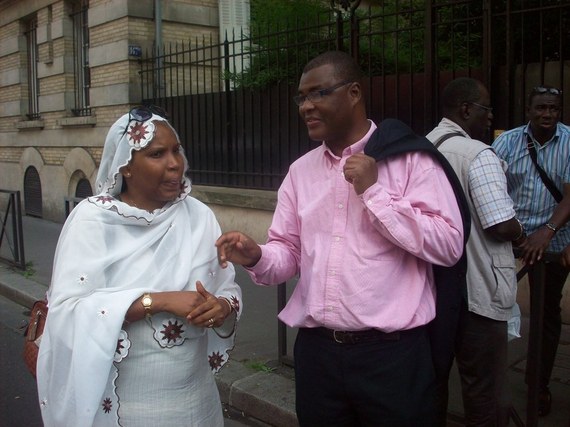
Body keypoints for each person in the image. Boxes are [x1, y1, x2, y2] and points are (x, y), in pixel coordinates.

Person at [216, 50, 464, 426]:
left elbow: (448, 245)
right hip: (319, 358)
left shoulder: (409, 159)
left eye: (319, 93)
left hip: (392, 358)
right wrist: (256, 256)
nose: (307, 106)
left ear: (353, 93)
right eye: (302, 97)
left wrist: (375, 194)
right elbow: (288, 254)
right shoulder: (300, 172)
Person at [36, 106, 242, 426]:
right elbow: (68, 310)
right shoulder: (94, 221)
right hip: (129, 409)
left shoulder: (198, 216)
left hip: (198, 404)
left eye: (176, 150)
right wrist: (157, 301)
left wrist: (222, 306)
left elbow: (226, 286)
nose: (175, 163)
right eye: (157, 154)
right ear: (126, 167)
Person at [426, 77, 524, 426]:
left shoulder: (422, 148)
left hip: (434, 292)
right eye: (486, 108)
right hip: (477, 292)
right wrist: (522, 231)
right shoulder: (478, 154)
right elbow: (500, 224)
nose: (490, 116)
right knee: (485, 394)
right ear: (466, 109)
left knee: (433, 384)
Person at [492, 86, 570, 416]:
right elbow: (490, 189)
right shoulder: (507, 142)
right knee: (492, 307)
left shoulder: (568, 141)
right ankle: (488, 385)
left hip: (554, 240)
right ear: (528, 109)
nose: (547, 115)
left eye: (553, 108)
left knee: (545, 315)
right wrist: (515, 233)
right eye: (541, 108)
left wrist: (548, 233)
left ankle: (538, 386)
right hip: (512, 236)